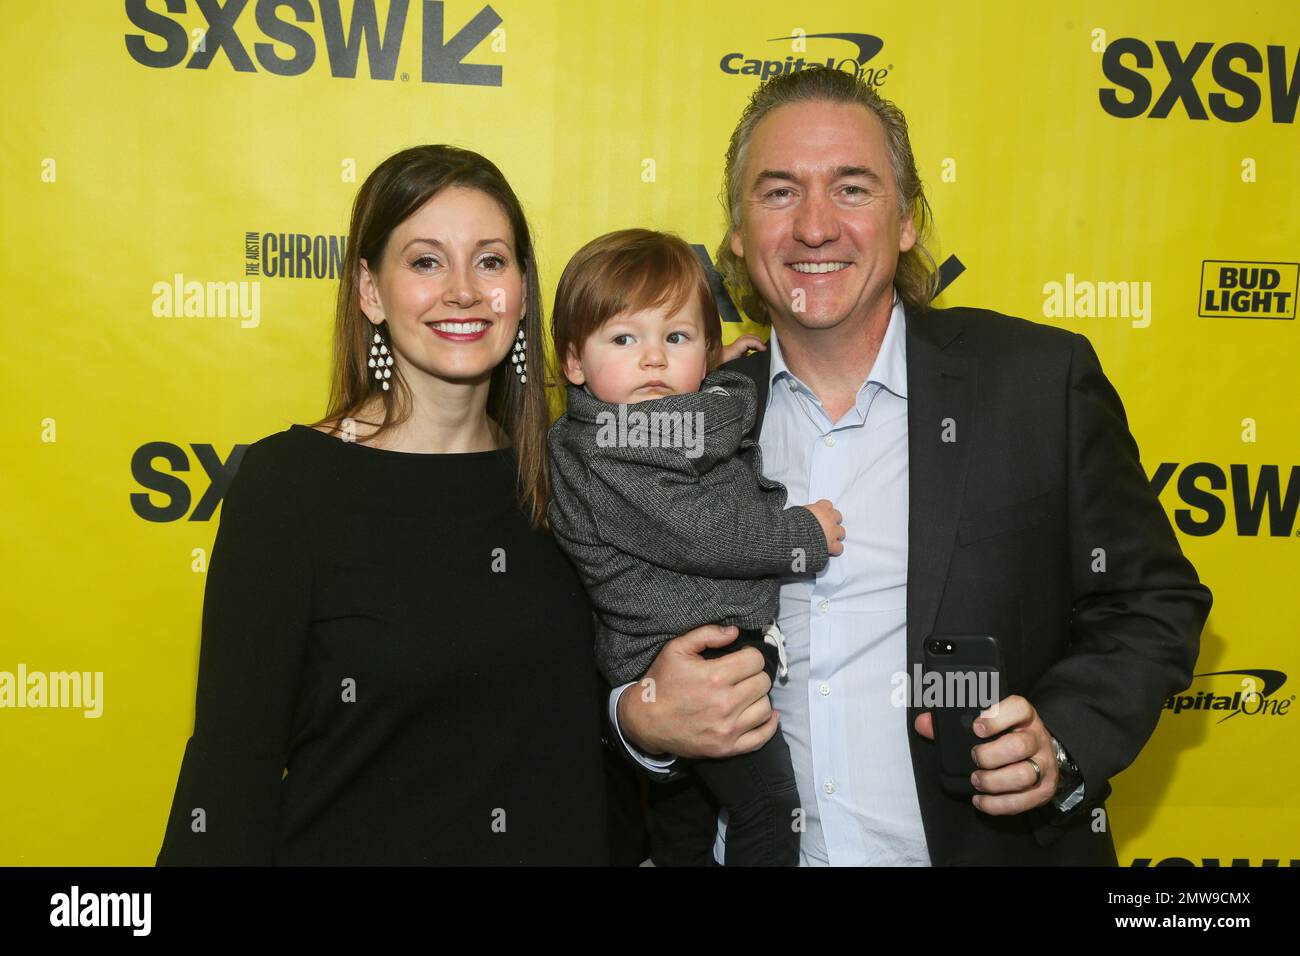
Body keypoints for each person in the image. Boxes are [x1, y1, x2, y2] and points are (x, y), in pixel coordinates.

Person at [610, 67, 1213, 865]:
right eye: (780, 192)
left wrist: (1061, 736)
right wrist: (641, 716)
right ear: (737, 235)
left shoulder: (1036, 382)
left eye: (852, 189)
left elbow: (1153, 602)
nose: (815, 227)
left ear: (906, 221)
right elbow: (597, 622)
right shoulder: (675, 424)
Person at [157, 145, 622, 864]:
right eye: (426, 261)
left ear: (523, 291)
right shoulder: (290, 487)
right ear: (370, 291)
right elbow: (231, 772)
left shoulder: (574, 478)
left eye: (491, 261)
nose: (463, 290)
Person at [546, 229, 845, 865]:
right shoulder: (614, 449)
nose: (652, 359)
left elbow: (700, 425)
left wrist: (721, 376)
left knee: (685, 825)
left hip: (674, 652)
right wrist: (804, 536)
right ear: (574, 363)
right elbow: (702, 533)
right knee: (768, 802)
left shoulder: (635, 425)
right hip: (695, 661)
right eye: (624, 339)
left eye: (674, 338)